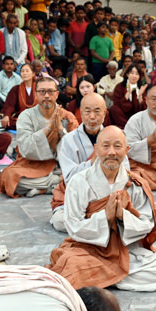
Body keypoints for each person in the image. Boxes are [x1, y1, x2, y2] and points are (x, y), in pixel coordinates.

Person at [48, 126, 156, 291]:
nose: (111, 152)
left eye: (117, 146)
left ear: (127, 149)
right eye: (105, 146)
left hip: (125, 250)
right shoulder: (79, 181)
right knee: (70, 265)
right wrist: (105, 217)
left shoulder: (135, 184)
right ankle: (112, 276)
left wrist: (123, 216)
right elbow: (73, 226)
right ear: (96, 149)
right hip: (89, 250)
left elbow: (147, 224)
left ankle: (103, 277)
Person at [0, 75, 77, 198]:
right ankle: (55, 183)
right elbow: (26, 148)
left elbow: (75, 150)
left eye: (50, 91)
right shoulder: (26, 116)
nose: (47, 96)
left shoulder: (67, 117)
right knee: (9, 178)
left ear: (57, 94)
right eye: (42, 92)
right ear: (36, 94)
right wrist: (47, 128)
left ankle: (45, 186)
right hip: (30, 165)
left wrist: (60, 129)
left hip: (58, 166)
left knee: (81, 173)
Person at [51, 92, 111, 232]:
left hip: (104, 196)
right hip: (75, 196)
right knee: (60, 221)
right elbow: (69, 177)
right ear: (80, 113)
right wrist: (92, 162)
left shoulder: (112, 137)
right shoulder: (69, 140)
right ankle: (99, 222)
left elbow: (124, 171)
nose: (92, 117)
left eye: (97, 111)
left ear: (105, 113)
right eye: (87, 111)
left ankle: (90, 222)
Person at [0, 62, 36, 128]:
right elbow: (10, 105)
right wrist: (7, 115)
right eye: (22, 71)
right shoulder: (16, 89)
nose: (24, 73)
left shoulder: (39, 88)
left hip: (37, 117)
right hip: (21, 118)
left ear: (33, 73)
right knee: (8, 123)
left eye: (27, 71)